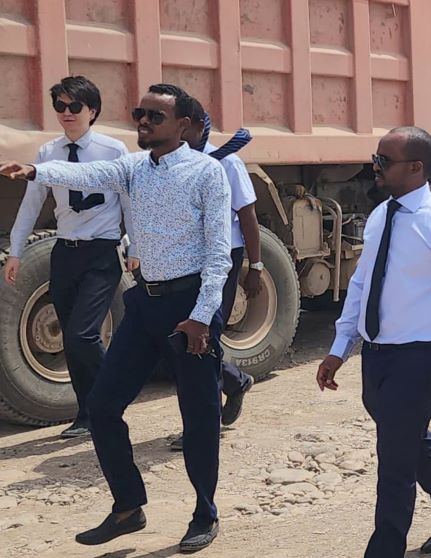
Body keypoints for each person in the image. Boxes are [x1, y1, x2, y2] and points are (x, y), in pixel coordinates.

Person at [0, 83, 232, 552]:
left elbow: (219, 255)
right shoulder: (133, 168)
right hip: (144, 304)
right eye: (138, 113)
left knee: (199, 417)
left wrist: (203, 317)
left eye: (154, 116)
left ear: (182, 126)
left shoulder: (207, 173)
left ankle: (205, 513)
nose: (142, 122)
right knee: (104, 408)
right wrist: (35, 171)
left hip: (189, 309)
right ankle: (128, 507)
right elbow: (91, 173)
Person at [316, 126, 431, 556]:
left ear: (416, 167)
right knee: (403, 436)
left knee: (394, 462)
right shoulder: (379, 216)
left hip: (421, 357)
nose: (375, 167)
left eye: (383, 161)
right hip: (377, 355)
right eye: (377, 158)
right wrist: (340, 349)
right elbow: (360, 287)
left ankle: (385, 547)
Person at [4, 76, 132, 438]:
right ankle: (87, 414)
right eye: (60, 106)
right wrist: (16, 251)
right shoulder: (48, 154)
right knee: (70, 341)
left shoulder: (113, 150)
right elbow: (30, 207)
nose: (66, 113)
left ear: (92, 110)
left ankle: (111, 399)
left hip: (101, 253)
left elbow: (129, 203)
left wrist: (135, 247)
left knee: (83, 335)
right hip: (65, 252)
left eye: (75, 106)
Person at [169, 97, 260, 451]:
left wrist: (257, 265)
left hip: (223, 257)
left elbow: (248, 216)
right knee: (183, 340)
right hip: (185, 260)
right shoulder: (173, 164)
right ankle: (234, 381)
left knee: (201, 338)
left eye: (184, 126)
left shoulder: (228, 164)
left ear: (197, 127)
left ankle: (199, 428)